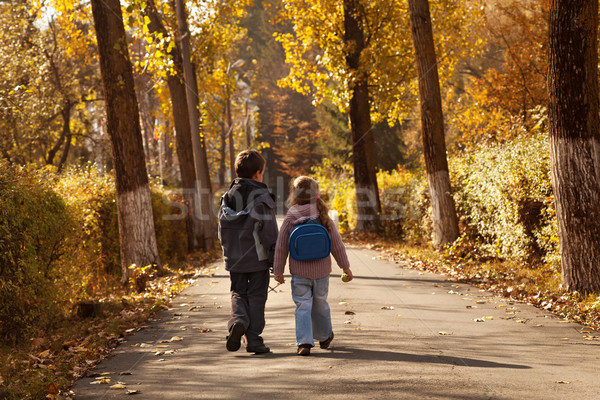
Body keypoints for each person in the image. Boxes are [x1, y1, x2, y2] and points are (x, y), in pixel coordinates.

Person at [273, 176, 353, 356]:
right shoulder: (322, 213)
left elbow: (281, 246)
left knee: (303, 305)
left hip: (300, 272)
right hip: (322, 271)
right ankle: (324, 336)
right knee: (320, 303)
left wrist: (278, 270)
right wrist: (345, 266)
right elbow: (336, 244)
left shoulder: (292, 215)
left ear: (294, 195)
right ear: (316, 194)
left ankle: (304, 342)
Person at [218, 150, 278, 354]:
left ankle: (238, 320)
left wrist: (227, 253)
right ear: (258, 173)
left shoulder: (228, 197)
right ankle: (253, 340)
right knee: (257, 296)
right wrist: (274, 258)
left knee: (238, 292)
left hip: (235, 258)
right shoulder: (262, 198)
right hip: (258, 258)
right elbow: (269, 232)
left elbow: (222, 229)